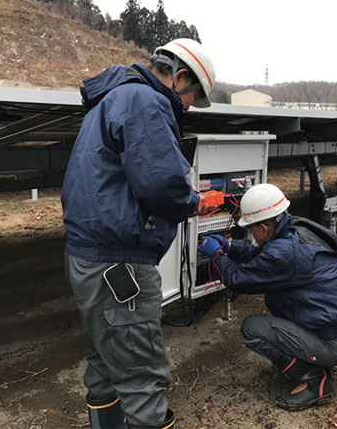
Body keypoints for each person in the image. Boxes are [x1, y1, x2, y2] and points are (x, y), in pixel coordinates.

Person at [61, 38, 215, 429]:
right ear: (180, 77)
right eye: (193, 96)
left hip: (90, 257)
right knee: (142, 376)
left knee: (106, 362)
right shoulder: (145, 102)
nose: (189, 106)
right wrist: (196, 202)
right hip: (120, 266)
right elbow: (162, 184)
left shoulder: (112, 98)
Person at [197, 183, 337, 411]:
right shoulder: (295, 230)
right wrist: (229, 246)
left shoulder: (284, 252)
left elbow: (239, 279)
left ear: (265, 228)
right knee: (276, 304)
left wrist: (216, 255)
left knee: (252, 329)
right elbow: (263, 256)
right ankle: (313, 357)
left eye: (251, 229)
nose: (252, 235)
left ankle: (314, 380)